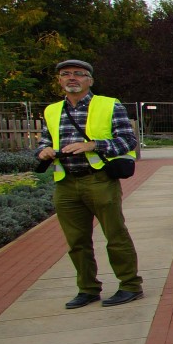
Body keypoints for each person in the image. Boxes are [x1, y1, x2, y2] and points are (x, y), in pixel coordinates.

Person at [34, 59, 143, 308]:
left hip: (99, 180)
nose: (72, 77)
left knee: (115, 235)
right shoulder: (52, 111)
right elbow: (44, 140)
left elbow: (128, 140)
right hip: (66, 182)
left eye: (79, 74)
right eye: (66, 74)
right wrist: (43, 151)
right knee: (76, 241)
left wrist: (93, 145)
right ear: (59, 80)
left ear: (90, 80)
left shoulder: (109, 105)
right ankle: (87, 288)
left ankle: (130, 285)